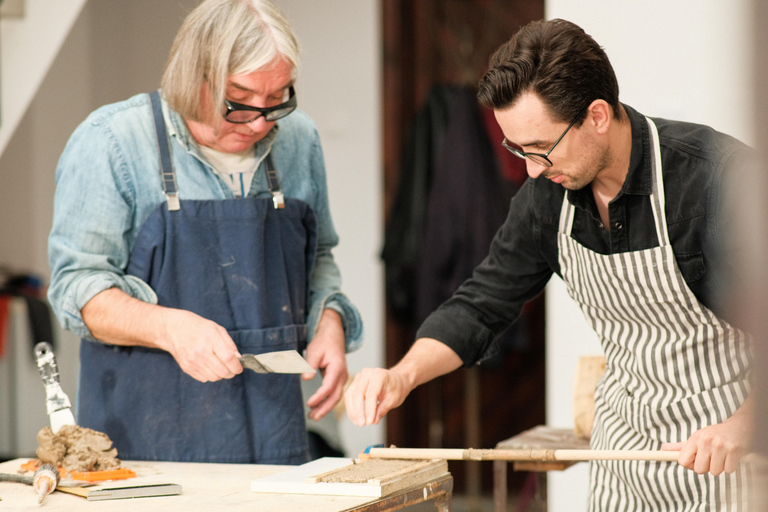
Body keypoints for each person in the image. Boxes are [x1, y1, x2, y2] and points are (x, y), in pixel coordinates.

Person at [345, 18, 753, 511]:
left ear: (597, 115)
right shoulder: (547, 197)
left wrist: (741, 426)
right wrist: (401, 376)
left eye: (541, 149)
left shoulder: (716, 180)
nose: (533, 170)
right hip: (625, 459)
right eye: (517, 150)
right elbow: (481, 304)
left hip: (731, 460)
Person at [47, 0, 362, 465]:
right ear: (193, 77)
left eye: (278, 99)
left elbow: (319, 259)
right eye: (240, 102)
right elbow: (77, 288)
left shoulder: (298, 140)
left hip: (274, 436)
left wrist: (329, 326)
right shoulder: (112, 143)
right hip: (145, 445)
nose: (260, 122)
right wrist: (169, 328)